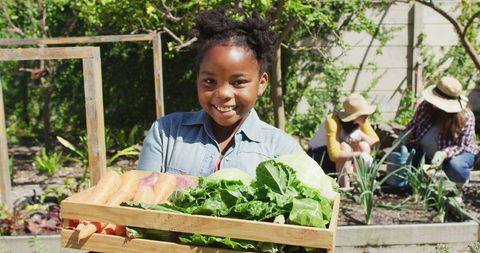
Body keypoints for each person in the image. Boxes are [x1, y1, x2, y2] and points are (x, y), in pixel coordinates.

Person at [137, 9, 302, 177]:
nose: (223, 93)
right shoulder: (166, 133)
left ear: (261, 84)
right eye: (210, 81)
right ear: (197, 78)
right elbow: (140, 196)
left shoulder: (282, 150)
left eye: (238, 82)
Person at [404, 76, 478, 186]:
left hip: (457, 153)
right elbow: (414, 125)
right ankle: (418, 183)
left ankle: (459, 187)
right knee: (403, 155)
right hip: (426, 151)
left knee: (455, 166)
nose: (434, 105)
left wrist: (444, 153)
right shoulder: (425, 106)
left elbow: (461, 145)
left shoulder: (466, 116)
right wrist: (404, 136)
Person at [308, 93, 380, 188]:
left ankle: (357, 182)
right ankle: (345, 187)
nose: (367, 116)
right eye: (363, 114)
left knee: (364, 145)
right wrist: (360, 155)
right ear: (354, 116)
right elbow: (334, 155)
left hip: (342, 160)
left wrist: (361, 135)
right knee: (345, 147)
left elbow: (375, 142)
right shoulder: (332, 122)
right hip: (319, 156)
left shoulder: (362, 120)